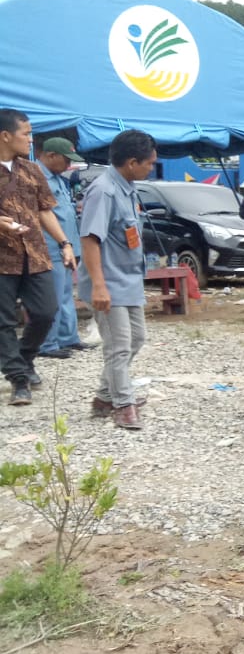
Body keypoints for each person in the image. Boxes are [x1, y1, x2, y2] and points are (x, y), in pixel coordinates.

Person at [0, 110, 79, 406]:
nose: (31, 139)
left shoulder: (32, 170)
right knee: (4, 321)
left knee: (46, 311)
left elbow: (45, 209)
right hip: (1, 259)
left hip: (35, 253)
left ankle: (24, 356)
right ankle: (19, 378)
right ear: (6, 135)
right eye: (26, 134)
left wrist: (64, 243)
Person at [79, 129, 157, 428]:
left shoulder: (127, 186)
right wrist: (98, 286)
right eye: (149, 164)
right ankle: (123, 405)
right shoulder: (104, 191)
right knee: (119, 345)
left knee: (137, 338)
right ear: (132, 162)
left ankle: (103, 396)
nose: (151, 168)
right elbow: (89, 240)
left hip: (128, 280)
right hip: (108, 282)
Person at [36, 137, 93, 358]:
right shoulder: (39, 179)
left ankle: (68, 338)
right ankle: (48, 345)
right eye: (66, 160)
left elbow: (65, 213)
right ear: (51, 156)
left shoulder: (58, 178)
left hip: (67, 246)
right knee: (53, 297)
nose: (69, 166)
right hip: (50, 248)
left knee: (67, 294)